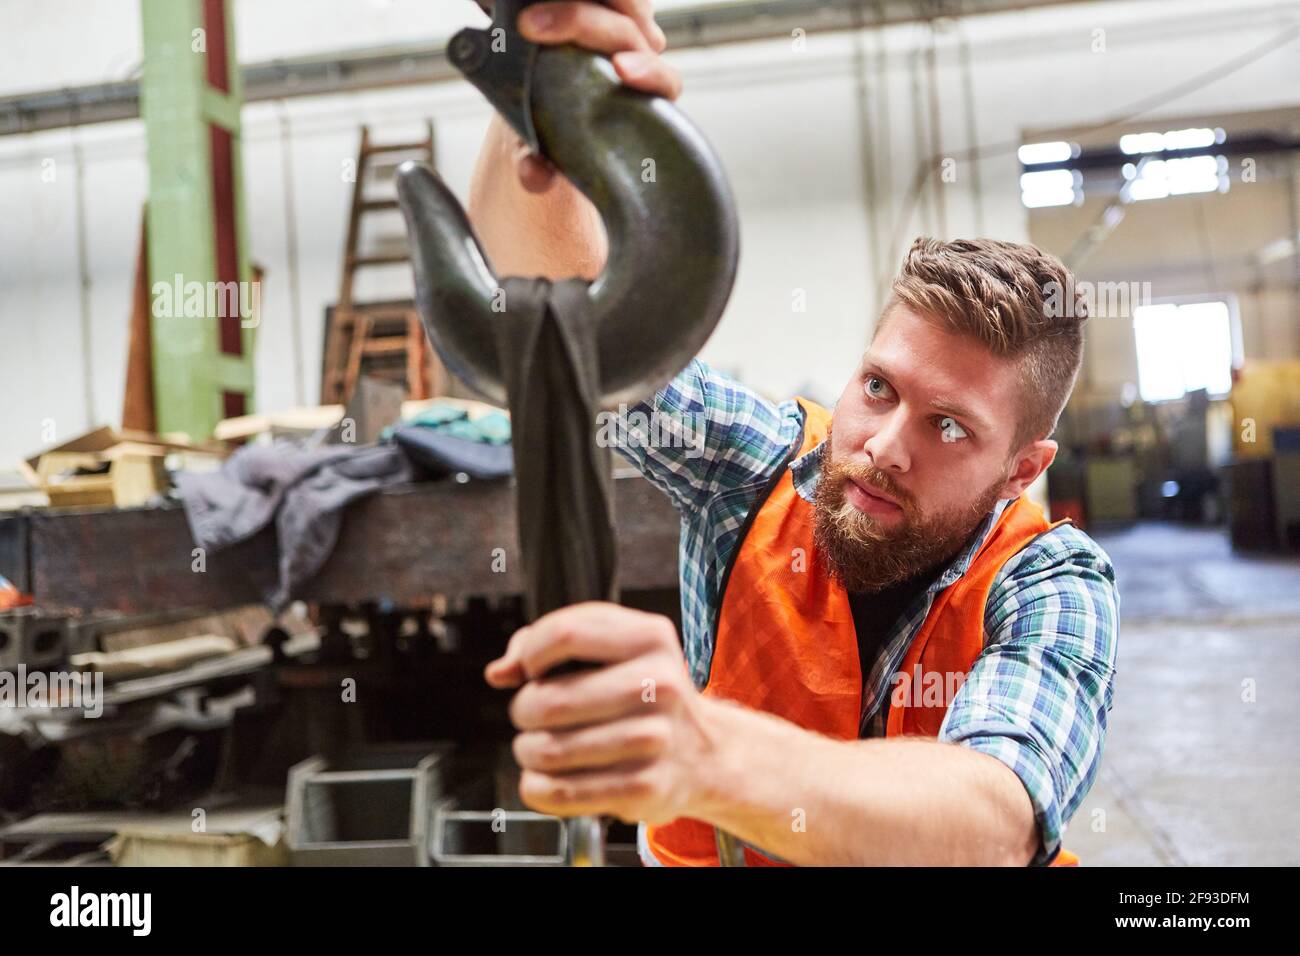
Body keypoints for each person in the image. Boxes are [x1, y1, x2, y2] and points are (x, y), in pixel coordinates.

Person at [469, 0, 1118, 866]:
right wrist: (543, 93)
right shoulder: (752, 468)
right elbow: (572, 321)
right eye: (879, 387)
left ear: (1019, 470)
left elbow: (995, 821)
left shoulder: (1053, 585)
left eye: (950, 427)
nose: (885, 445)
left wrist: (708, 750)